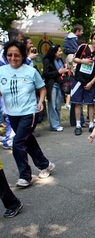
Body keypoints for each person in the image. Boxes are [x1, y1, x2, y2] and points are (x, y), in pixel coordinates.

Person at [0, 40, 56, 187]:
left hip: (29, 112)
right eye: (9, 55)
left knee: (18, 142)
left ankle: (25, 176)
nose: (13, 58)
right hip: (12, 114)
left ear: (23, 55)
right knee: (27, 140)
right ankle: (45, 164)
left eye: (16, 55)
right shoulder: (2, 71)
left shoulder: (31, 71)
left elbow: (42, 88)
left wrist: (41, 101)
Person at [71, 31, 95, 135]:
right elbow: (75, 58)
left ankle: (91, 125)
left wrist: (92, 82)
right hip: (78, 79)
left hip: (90, 81)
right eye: (94, 39)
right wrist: (84, 61)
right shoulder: (83, 47)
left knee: (91, 103)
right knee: (77, 103)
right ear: (92, 39)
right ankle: (78, 125)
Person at [42, 44, 69, 132]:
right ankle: (54, 125)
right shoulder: (47, 60)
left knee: (58, 105)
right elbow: (45, 74)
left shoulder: (60, 60)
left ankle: (57, 123)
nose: (61, 53)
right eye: (59, 51)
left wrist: (64, 70)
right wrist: (58, 72)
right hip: (52, 85)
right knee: (52, 105)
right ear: (54, 52)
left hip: (59, 84)